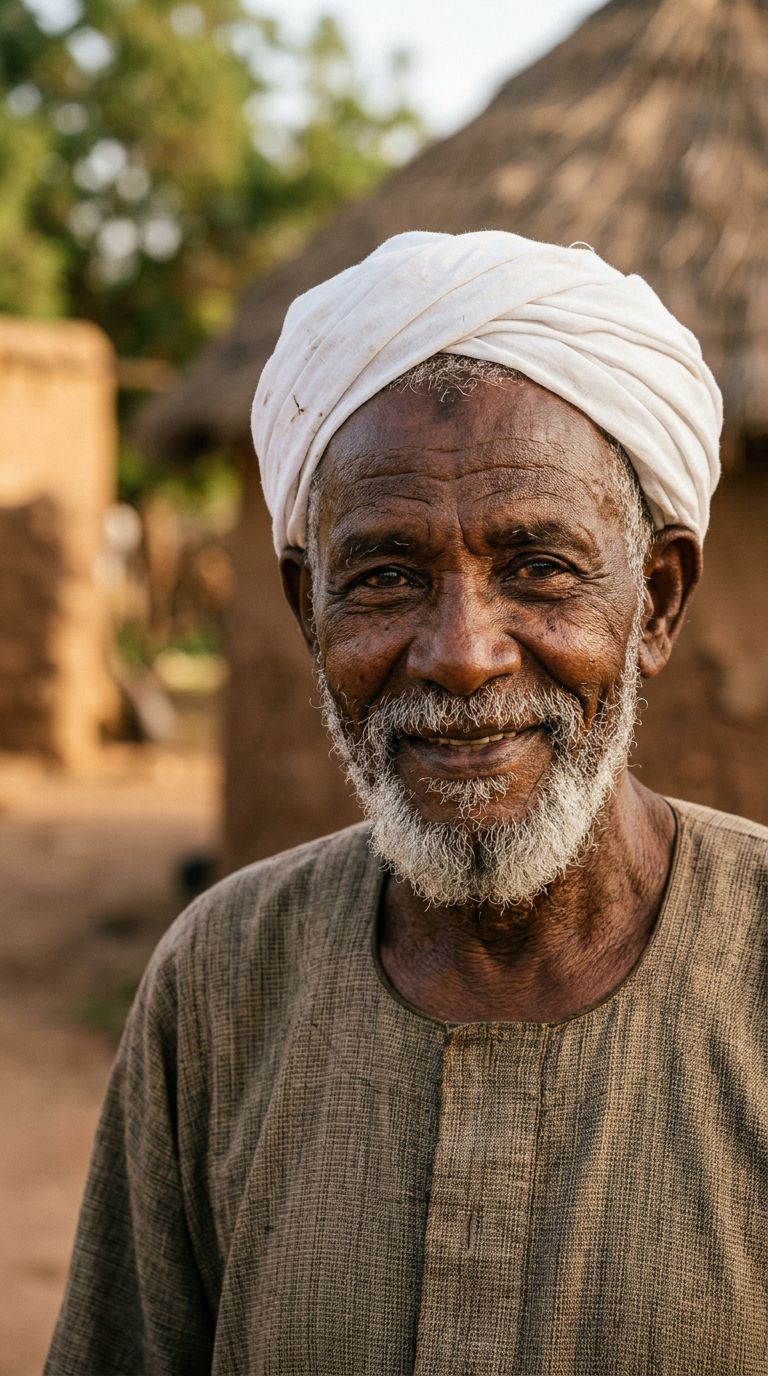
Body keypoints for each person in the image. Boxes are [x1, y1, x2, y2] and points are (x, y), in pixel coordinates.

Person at [46, 232, 767, 1375]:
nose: (462, 655)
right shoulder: (222, 982)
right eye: (384, 575)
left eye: (539, 566)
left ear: (659, 602)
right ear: (307, 607)